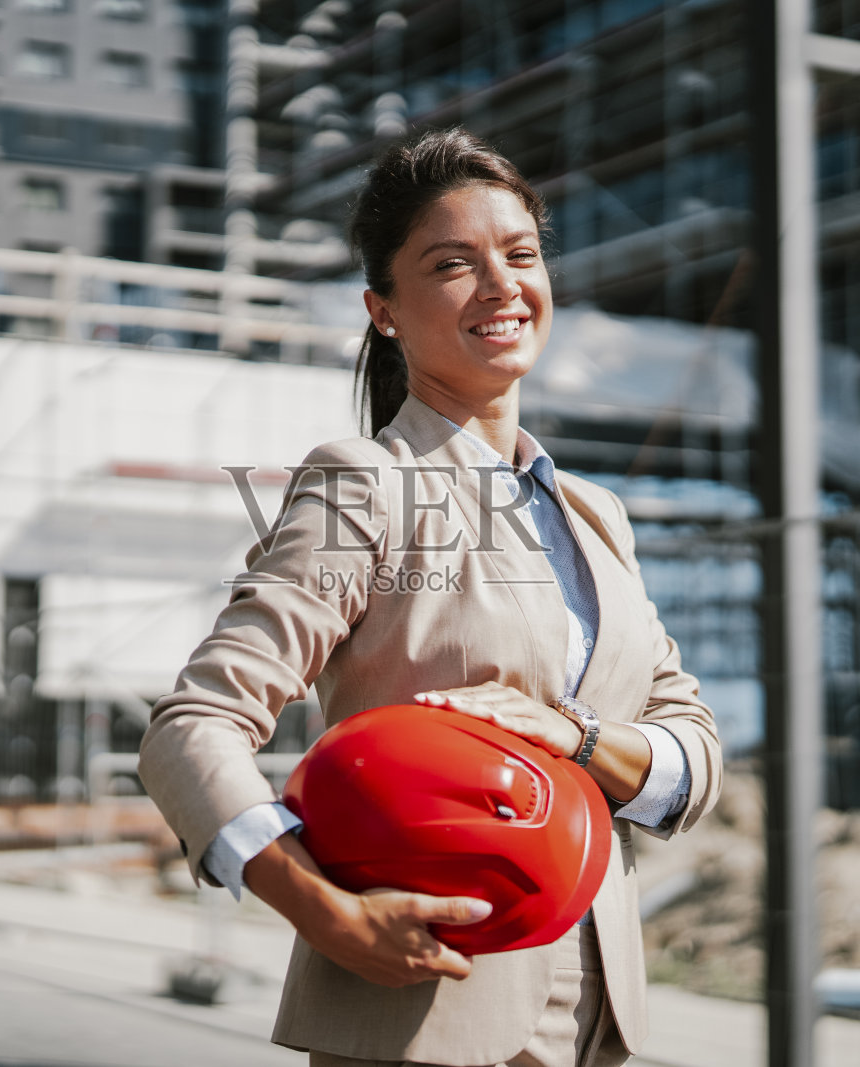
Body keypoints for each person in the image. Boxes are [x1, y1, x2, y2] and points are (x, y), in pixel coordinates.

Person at [138, 127, 721, 1067]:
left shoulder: (597, 514)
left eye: (520, 255)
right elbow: (191, 727)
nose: (501, 285)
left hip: (595, 1020)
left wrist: (568, 732)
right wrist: (325, 914)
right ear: (384, 310)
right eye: (453, 264)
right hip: (416, 1012)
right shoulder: (363, 483)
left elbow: (692, 754)